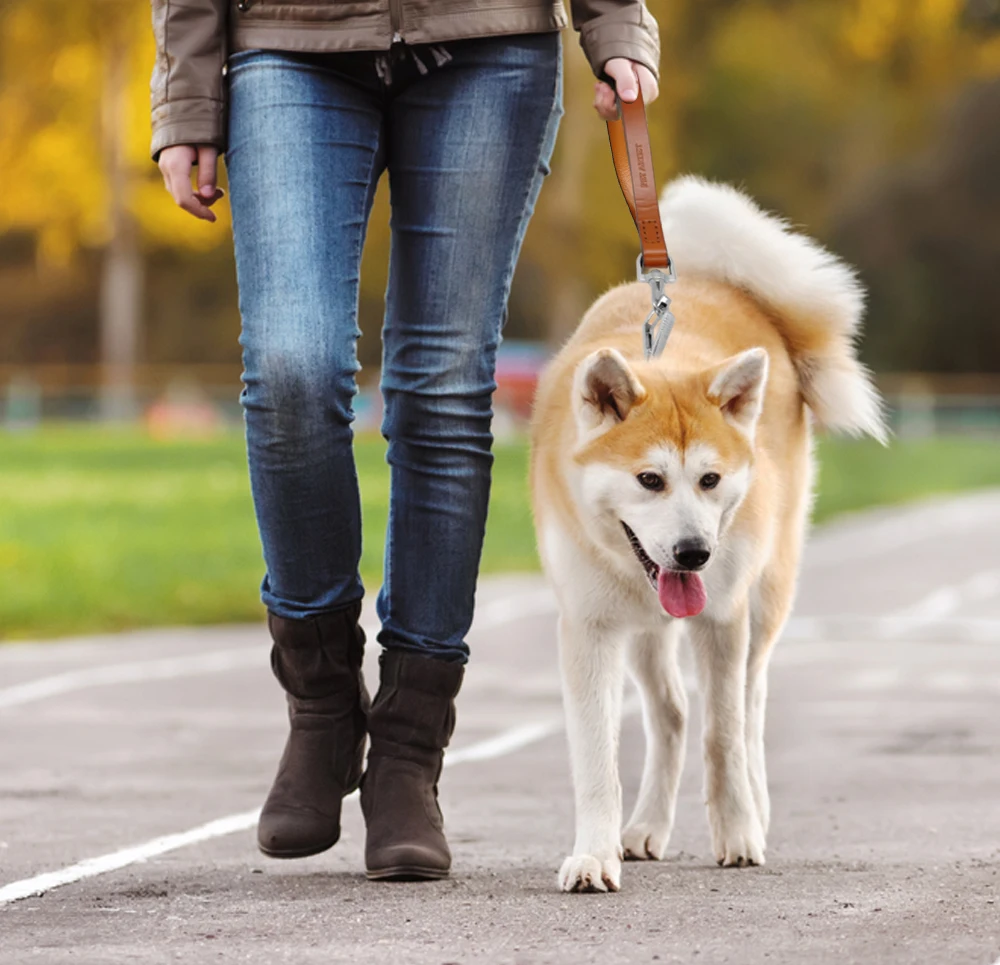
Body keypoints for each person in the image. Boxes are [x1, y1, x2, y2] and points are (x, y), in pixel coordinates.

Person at [150, 0, 660, 881]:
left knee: (444, 391)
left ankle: (409, 752)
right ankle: (320, 702)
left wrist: (616, 28)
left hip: (488, 43)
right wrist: (187, 99)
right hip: (287, 44)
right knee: (291, 370)